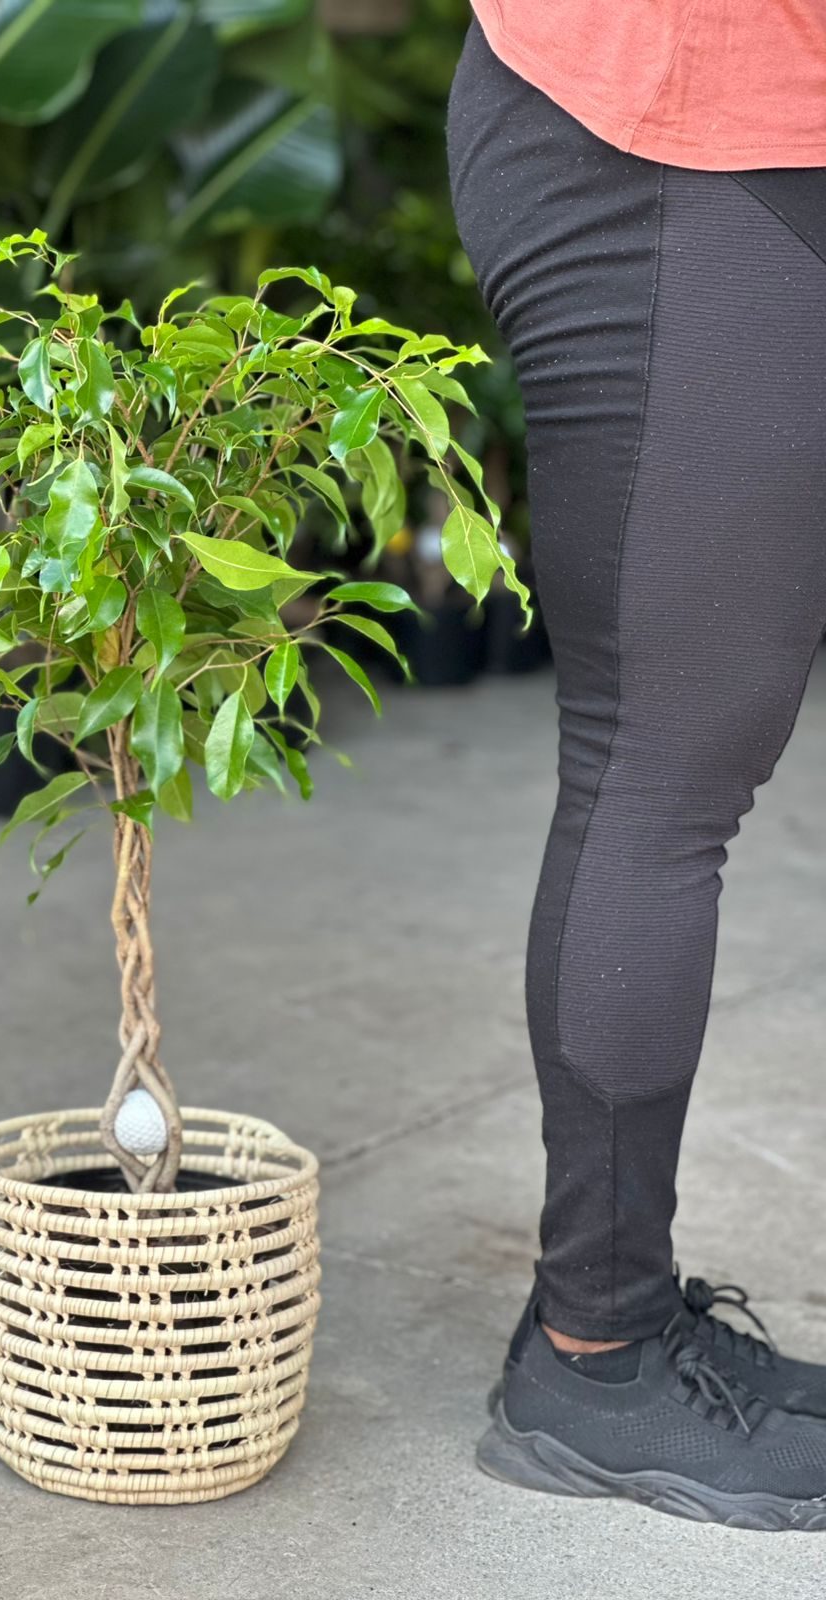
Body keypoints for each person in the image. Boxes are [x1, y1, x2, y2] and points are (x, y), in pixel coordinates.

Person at [447, 3, 826, 1530]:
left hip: (759, 123)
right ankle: (596, 1352)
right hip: (668, 121)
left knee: (681, 750)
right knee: (666, 757)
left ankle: (616, 1327)